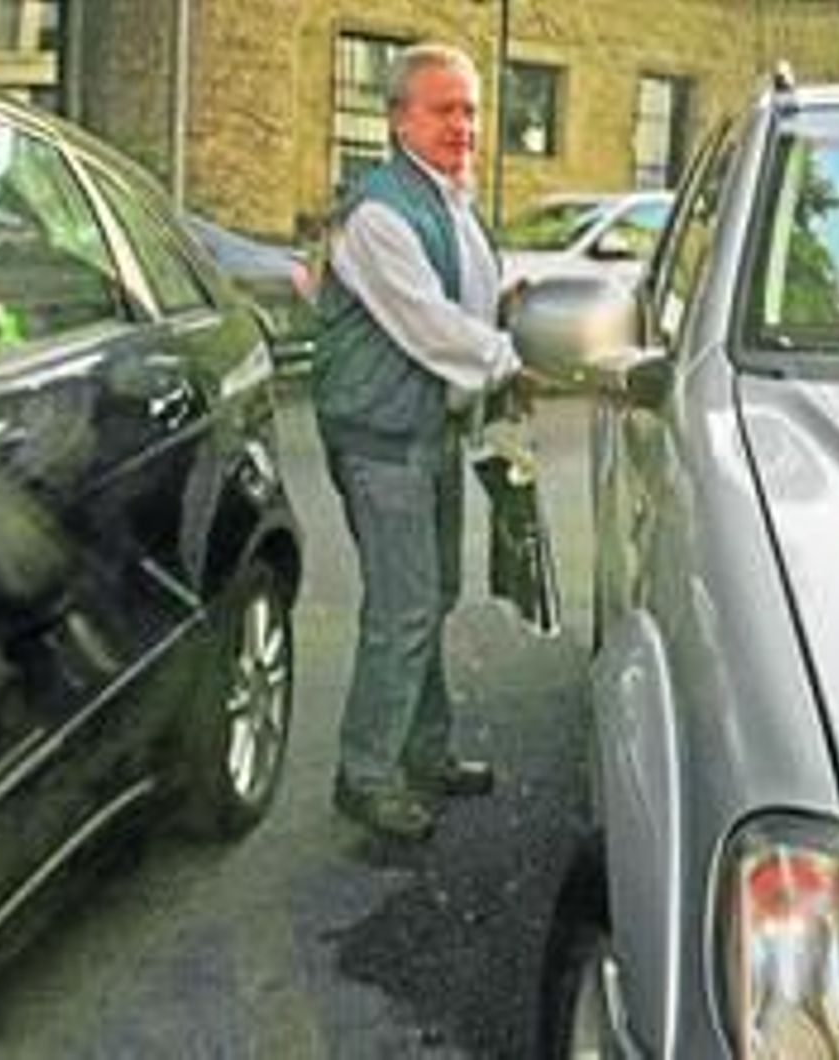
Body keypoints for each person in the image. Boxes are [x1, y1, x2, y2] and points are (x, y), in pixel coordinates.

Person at [312, 42, 521, 842]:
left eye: (470, 109)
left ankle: (425, 752)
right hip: (381, 440)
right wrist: (516, 359)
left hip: (430, 433)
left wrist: (514, 307)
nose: (463, 125)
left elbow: (467, 297)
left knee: (432, 600)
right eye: (444, 109)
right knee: (401, 611)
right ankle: (364, 776)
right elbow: (431, 328)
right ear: (399, 119)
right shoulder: (378, 213)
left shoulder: (452, 200)